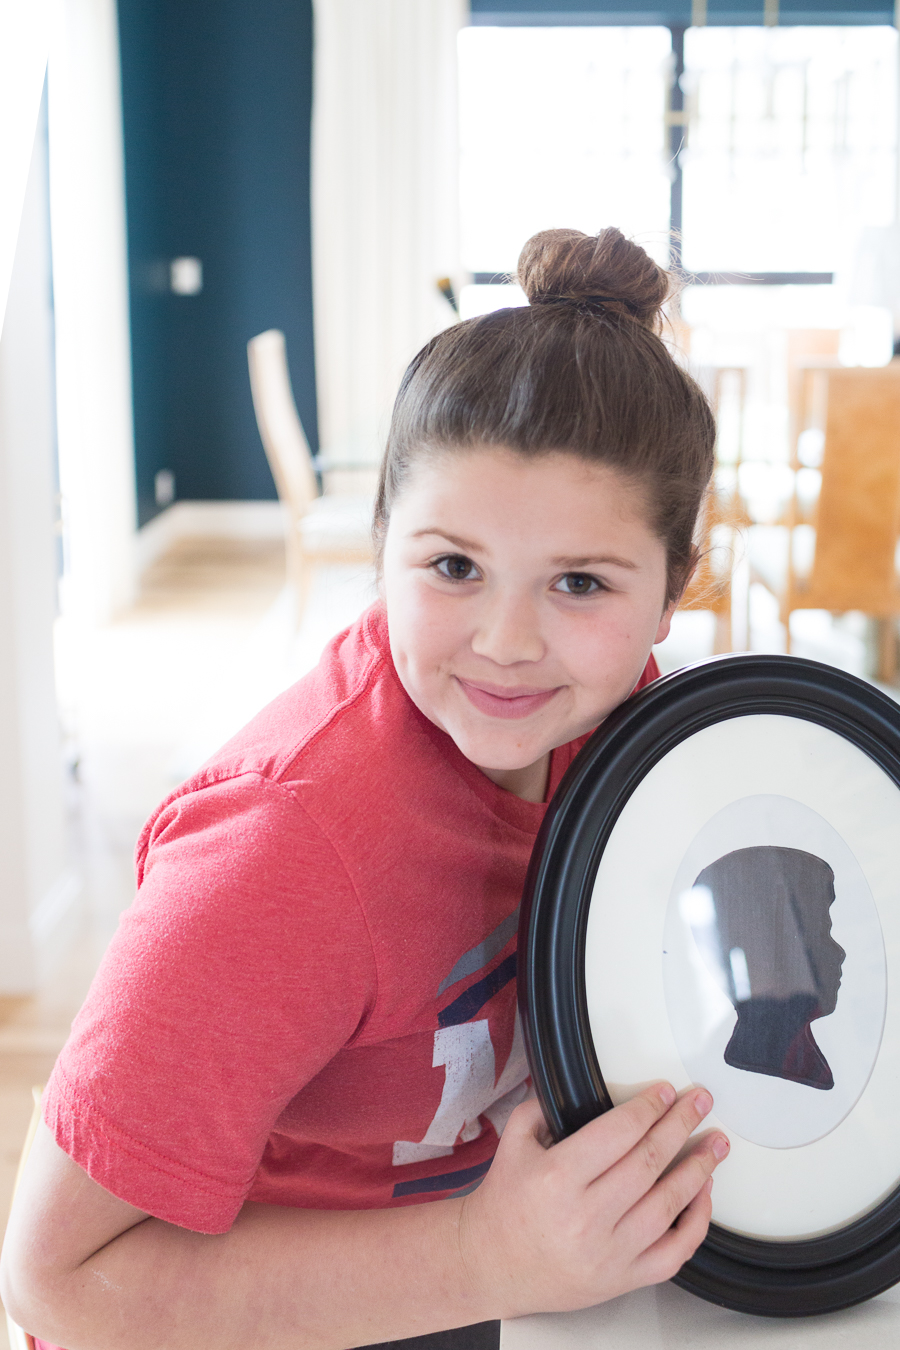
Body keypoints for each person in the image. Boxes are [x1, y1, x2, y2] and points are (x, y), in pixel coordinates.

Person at [0, 227, 730, 1350]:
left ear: (674, 591)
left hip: (454, 1275)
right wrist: (483, 1255)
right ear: (381, 544)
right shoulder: (283, 852)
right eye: (453, 567)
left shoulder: (626, 728)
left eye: (579, 582)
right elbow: (55, 1282)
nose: (505, 642)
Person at [691, 846, 846, 1090]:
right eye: (823, 933)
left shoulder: (798, 1054)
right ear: (774, 951)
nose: (840, 953)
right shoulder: (781, 1058)